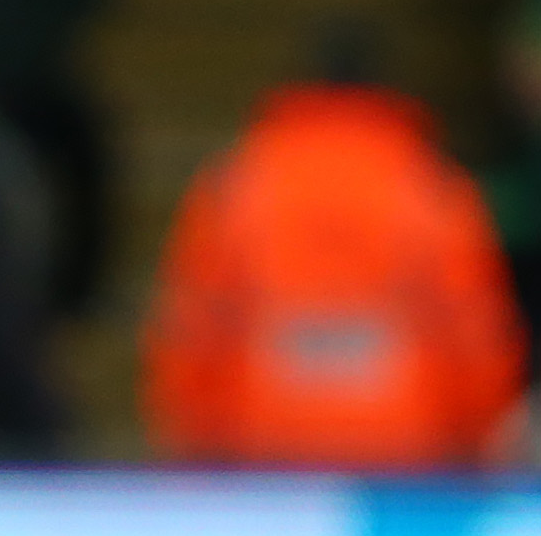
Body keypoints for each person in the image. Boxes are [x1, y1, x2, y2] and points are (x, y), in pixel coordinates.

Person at [143, 64, 522, 469]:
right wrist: (470, 453)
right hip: (409, 466)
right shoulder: (434, 191)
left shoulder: (235, 188)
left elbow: (191, 336)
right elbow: (477, 341)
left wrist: (196, 455)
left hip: (259, 461)